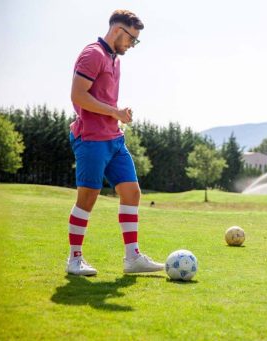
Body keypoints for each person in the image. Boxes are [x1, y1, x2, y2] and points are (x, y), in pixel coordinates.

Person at [65, 9, 163, 276]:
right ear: (119, 31)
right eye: (132, 40)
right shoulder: (92, 54)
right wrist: (113, 112)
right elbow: (78, 96)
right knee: (88, 196)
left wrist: (119, 113)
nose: (132, 45)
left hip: (114, 138)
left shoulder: (114, 59)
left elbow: (102, 99)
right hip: (91, 138)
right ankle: (74, 259)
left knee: (132, 193)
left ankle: (132, 258)